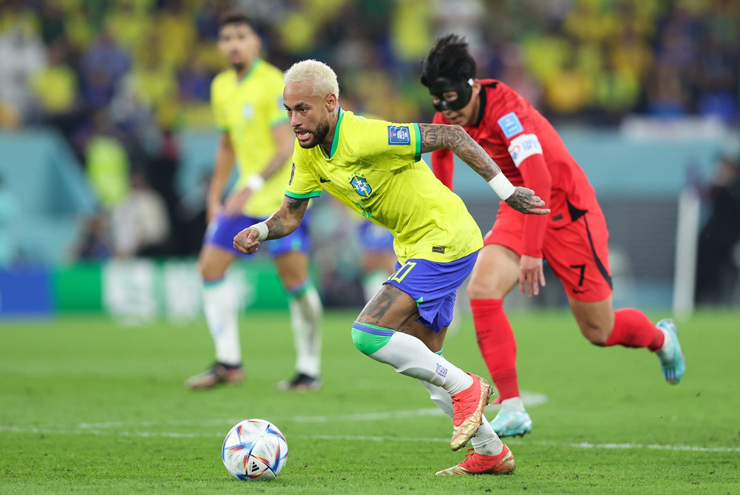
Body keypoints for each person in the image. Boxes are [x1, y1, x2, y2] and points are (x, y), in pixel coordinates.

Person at [234, 59, 549, 475]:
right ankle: (491, 451)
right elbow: (290, 215)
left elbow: (452, 135)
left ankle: (469, 388)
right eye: (288, 110)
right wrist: (260, 229)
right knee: (423, 358)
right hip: (416, 247)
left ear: (331, 103)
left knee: (368, 333)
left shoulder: (367, 135)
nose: (294, 120)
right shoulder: (309, 152)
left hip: (444, 237)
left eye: (303, 109)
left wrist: (507, 193)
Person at [420, 35, 686, 438]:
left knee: (600, 330)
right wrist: (444, 217)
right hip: (518, 205)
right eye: (438, 101)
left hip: (568, 210)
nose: (445, 110)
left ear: (471, 85)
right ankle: (512, 408)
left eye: (452, 99)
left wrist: (531, 252)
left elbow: (540, 177)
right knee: (483, 289)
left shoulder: (506, 111)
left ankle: (661, 338)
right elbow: (441, 157)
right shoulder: (448, 117)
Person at [186, 12, 323, 392]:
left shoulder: (272, 84)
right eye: (226, 37)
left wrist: (249, 184)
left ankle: (308, 369)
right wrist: (215, 194)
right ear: (219, 46)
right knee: (210, 267)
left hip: (282, 198)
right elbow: (227, 144)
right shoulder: (220, 87)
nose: (233, 43)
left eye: (240, 36)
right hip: (242, 200)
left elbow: (285, 146)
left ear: (255, 43)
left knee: (295, 281)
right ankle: (228, 362)